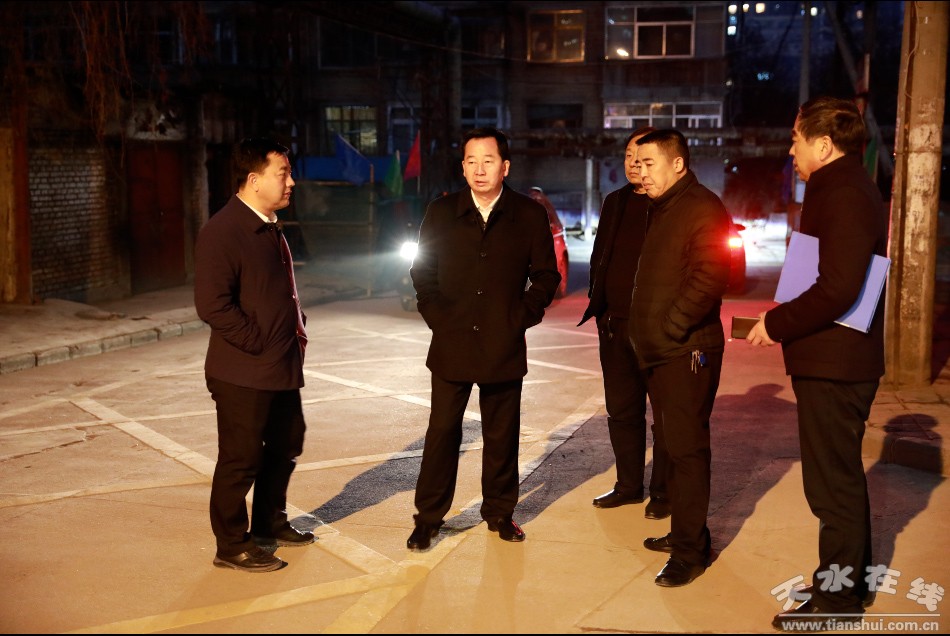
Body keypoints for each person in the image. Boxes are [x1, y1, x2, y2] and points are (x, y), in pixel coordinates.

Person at [746, 97, 886, 630]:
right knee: (838, 481)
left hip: (837, 362)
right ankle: (845, 584)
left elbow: (839, 287)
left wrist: (776, 323)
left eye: (796, 140)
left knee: (832, 487)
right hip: (833, 359)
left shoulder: (845, 192)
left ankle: (837, 603)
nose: (792, 151)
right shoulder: (840, 186)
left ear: (823, 145)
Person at [406, 127, 561, 550]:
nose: (479, 169)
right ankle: (428, 518)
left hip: (502, 342)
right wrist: (437, 317)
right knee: (442, 433)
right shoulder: (442, 211)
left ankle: (500, 513)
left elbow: (546, 275)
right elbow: (422, 270)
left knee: (501, 435)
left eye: (488, 161)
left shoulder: (527, 214)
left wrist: (520, 317)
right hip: (452, 341)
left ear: (504, 167)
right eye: (471, 161)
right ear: (462, 167)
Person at [194, 137, 314, 573]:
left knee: (286, 443)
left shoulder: (269, 225)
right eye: (283, 173)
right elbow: (213, 305)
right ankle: (231, 544)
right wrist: (259, 342)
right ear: (253, 179)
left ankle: (268, 522)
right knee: (241, 457)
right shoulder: (224, 230)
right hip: (243, 370)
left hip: (279, 364)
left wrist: (293, 324)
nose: (291, 182)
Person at [628, 128, 732, 587]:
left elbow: (709, 277)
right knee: (673, 446)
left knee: (688, 451)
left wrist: (669, 327)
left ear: (677, 164)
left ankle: (691, 552)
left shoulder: (702, 207)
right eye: (638, 163)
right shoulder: (665, 207)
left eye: (649, 163)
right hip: (662, 350)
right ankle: (686, 532)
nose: (641, 172)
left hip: (687, 350)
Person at [578, 126, 671, 520]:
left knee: (664, 417)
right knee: (622, 411)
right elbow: (601, 255)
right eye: (629, 155)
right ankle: (628, 486)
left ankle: (663, 493)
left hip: (658, 331)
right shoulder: (615, 201)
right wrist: (598, 307)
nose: (634, 163)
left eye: (643, 156)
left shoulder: (668, 203)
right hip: (615, 326)